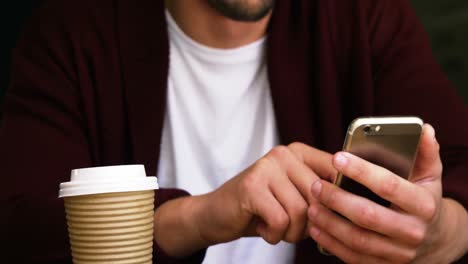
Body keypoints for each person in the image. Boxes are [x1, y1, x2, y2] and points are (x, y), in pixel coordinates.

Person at [1, 0, 467, 263]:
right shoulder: (72, 30)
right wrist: (199, 218)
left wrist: (438, 233)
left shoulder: (365, 17)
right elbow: (20, 231)